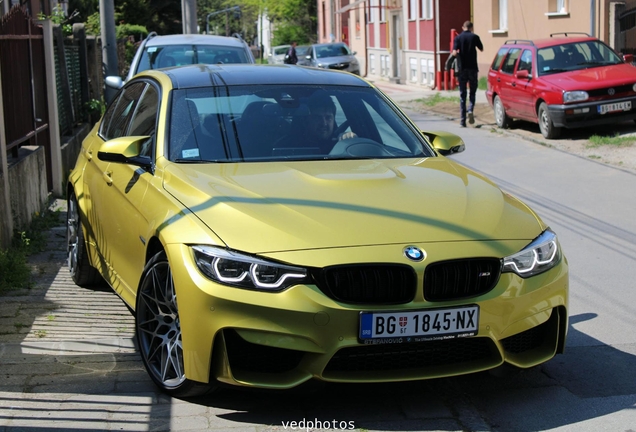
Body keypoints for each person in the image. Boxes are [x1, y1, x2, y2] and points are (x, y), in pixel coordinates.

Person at [451, 21, 483, 127]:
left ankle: (462, 121)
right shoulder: (475, 37)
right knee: (472, 92)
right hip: (473, 68)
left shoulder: (458, 38)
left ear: (463, 27)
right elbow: (481, 49)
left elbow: (454, 52)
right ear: (471, 28)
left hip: (462, 69)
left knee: (462, 94)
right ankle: (470, 109)